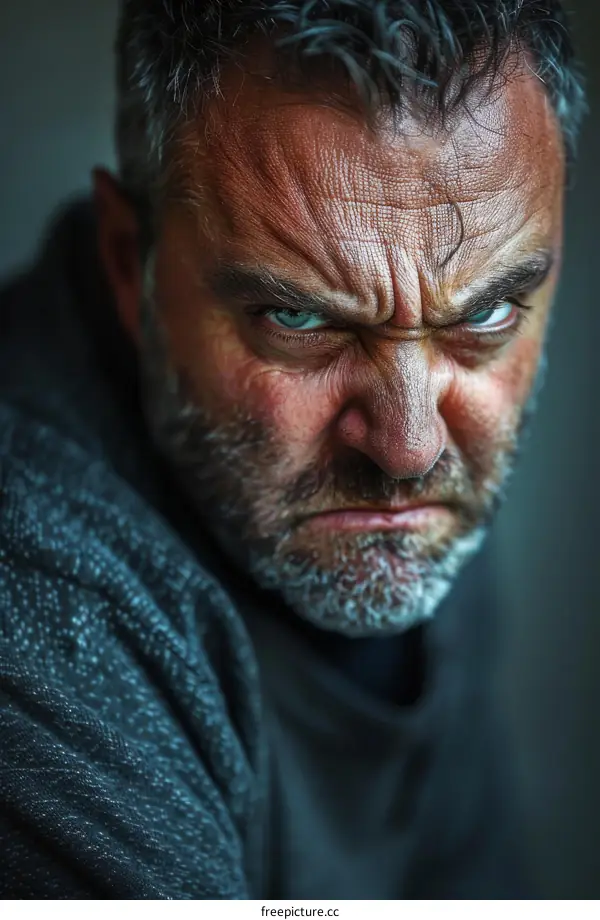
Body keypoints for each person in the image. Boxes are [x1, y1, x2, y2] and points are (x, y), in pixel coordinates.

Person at [0, 0, 587, 900]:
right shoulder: (36, 609)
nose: (407, 449)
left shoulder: (384, 492)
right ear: (132, 263)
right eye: (300, 318)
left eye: (485, 314)